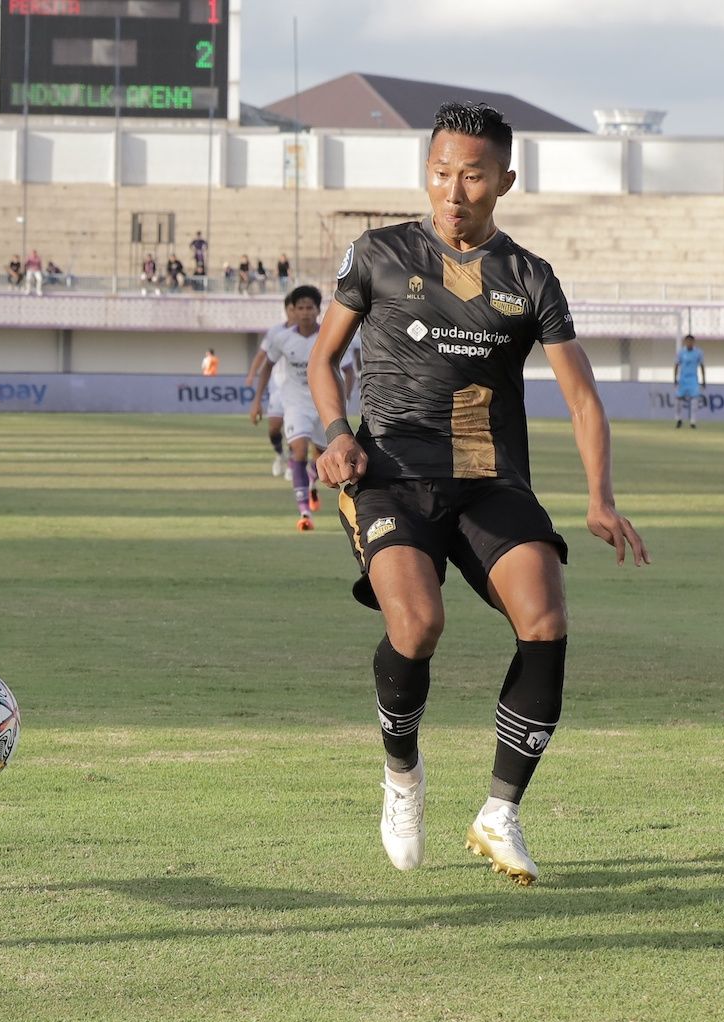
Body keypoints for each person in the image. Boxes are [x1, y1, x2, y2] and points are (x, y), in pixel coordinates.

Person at [309, 102, 648, 887]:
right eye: (440, 171)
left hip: (491, 479)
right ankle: (402, 775)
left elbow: (583, 397)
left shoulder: (530, 278)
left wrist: (600, 497)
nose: (452, 189)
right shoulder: (378, 254)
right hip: (388, 475)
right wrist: (335, 431)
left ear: (504, 180)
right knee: (419, 625)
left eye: (471, 174)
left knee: (546, 616)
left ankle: (500, 812)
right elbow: (324, 360)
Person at [249, 286, 330, 530]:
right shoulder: (281, 336)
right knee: (297, 449)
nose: (305, 313)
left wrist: (342, 397)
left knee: (323, 456)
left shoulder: (328, 335)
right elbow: (267, 364)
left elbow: (346, 369)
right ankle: (304, 512)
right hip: (293, 401)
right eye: (300, 308)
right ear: (293, 310)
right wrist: (256, 399)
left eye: (310, 308)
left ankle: (311, 482)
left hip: (323, 402)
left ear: (318, 310)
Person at [245, 295, 298, 479]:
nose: (296, 313)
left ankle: (293, 462)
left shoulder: (309, 333)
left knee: (295, 428)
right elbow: (262, 355)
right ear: (286, 310)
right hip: (277, 388)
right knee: (274, 428)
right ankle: (279, 455)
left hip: (298, 391)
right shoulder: (276, 332)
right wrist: (252, 373)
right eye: (292, 309)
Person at [674, 334, 704, 429]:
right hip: (683, 379)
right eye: (687, 341)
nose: (689, 343)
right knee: (678, 399)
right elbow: (676, 365)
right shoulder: (681, 352)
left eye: (691, 341)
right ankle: (678, 419)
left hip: (693, 379)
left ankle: (693, 421)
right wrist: (675, 378)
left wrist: (704, 379)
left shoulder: (698, 352)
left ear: (693, 342)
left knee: (694, 399)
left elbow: (702, 365)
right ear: (685, 342)